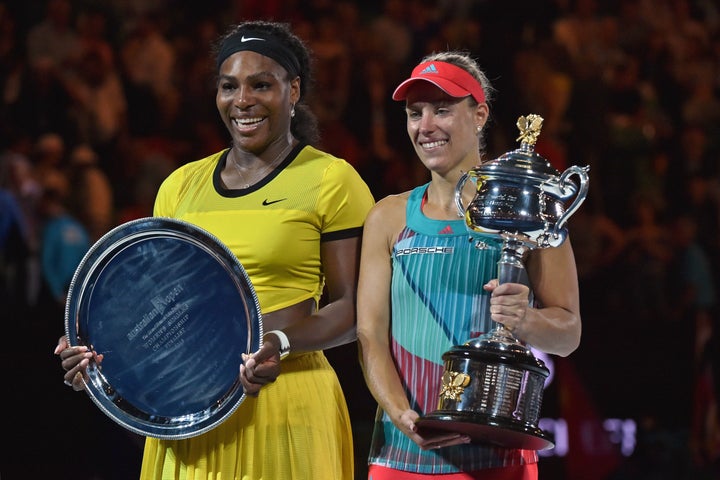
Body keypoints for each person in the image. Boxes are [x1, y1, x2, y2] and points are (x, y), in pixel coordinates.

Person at [55, 20, 375, 479]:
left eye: (261, 84)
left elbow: (353, 309)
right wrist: (99, 352)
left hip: (287, 403)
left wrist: (279, 344)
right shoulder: (179, 187)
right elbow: (157, 306)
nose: (242, 100)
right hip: (189, 416)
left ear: (294, 90)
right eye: (229, 86)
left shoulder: (332, 180)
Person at [356, 51, 582, 479]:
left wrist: (526, 321)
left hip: (498, 461)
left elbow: (568, 335)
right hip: (399, 457)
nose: (426, 127)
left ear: (479, 116)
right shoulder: (386, 217)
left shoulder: (530, 208)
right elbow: (370, 334)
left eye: (442, 110)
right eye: (414, 113)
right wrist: (403, 415)